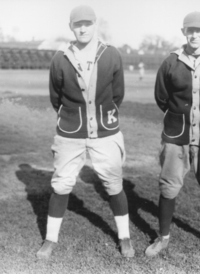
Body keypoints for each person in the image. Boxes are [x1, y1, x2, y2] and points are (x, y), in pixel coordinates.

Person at [36, 5, 134, 260]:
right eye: (77, 24)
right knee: (61, 184)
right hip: (70, 131)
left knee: (113, 183)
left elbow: (117, 94)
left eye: (87, 24)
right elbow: (55, 98)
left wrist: (98, 118)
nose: (82, 28)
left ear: (95, 25)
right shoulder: (60, 57)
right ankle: (50, 239)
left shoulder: (111, 54)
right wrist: (75, 118)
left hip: (105, 130)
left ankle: (124, 237)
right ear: (71, 27)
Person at [145, 11, 200, 264]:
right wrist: (180, 121)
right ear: (183, 32)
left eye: (199, 30)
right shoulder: (171, 62)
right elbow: (162, 98)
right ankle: (163, 237)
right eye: (190, 30)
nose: (195, 34)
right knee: (168, 187)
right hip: (176, 137)